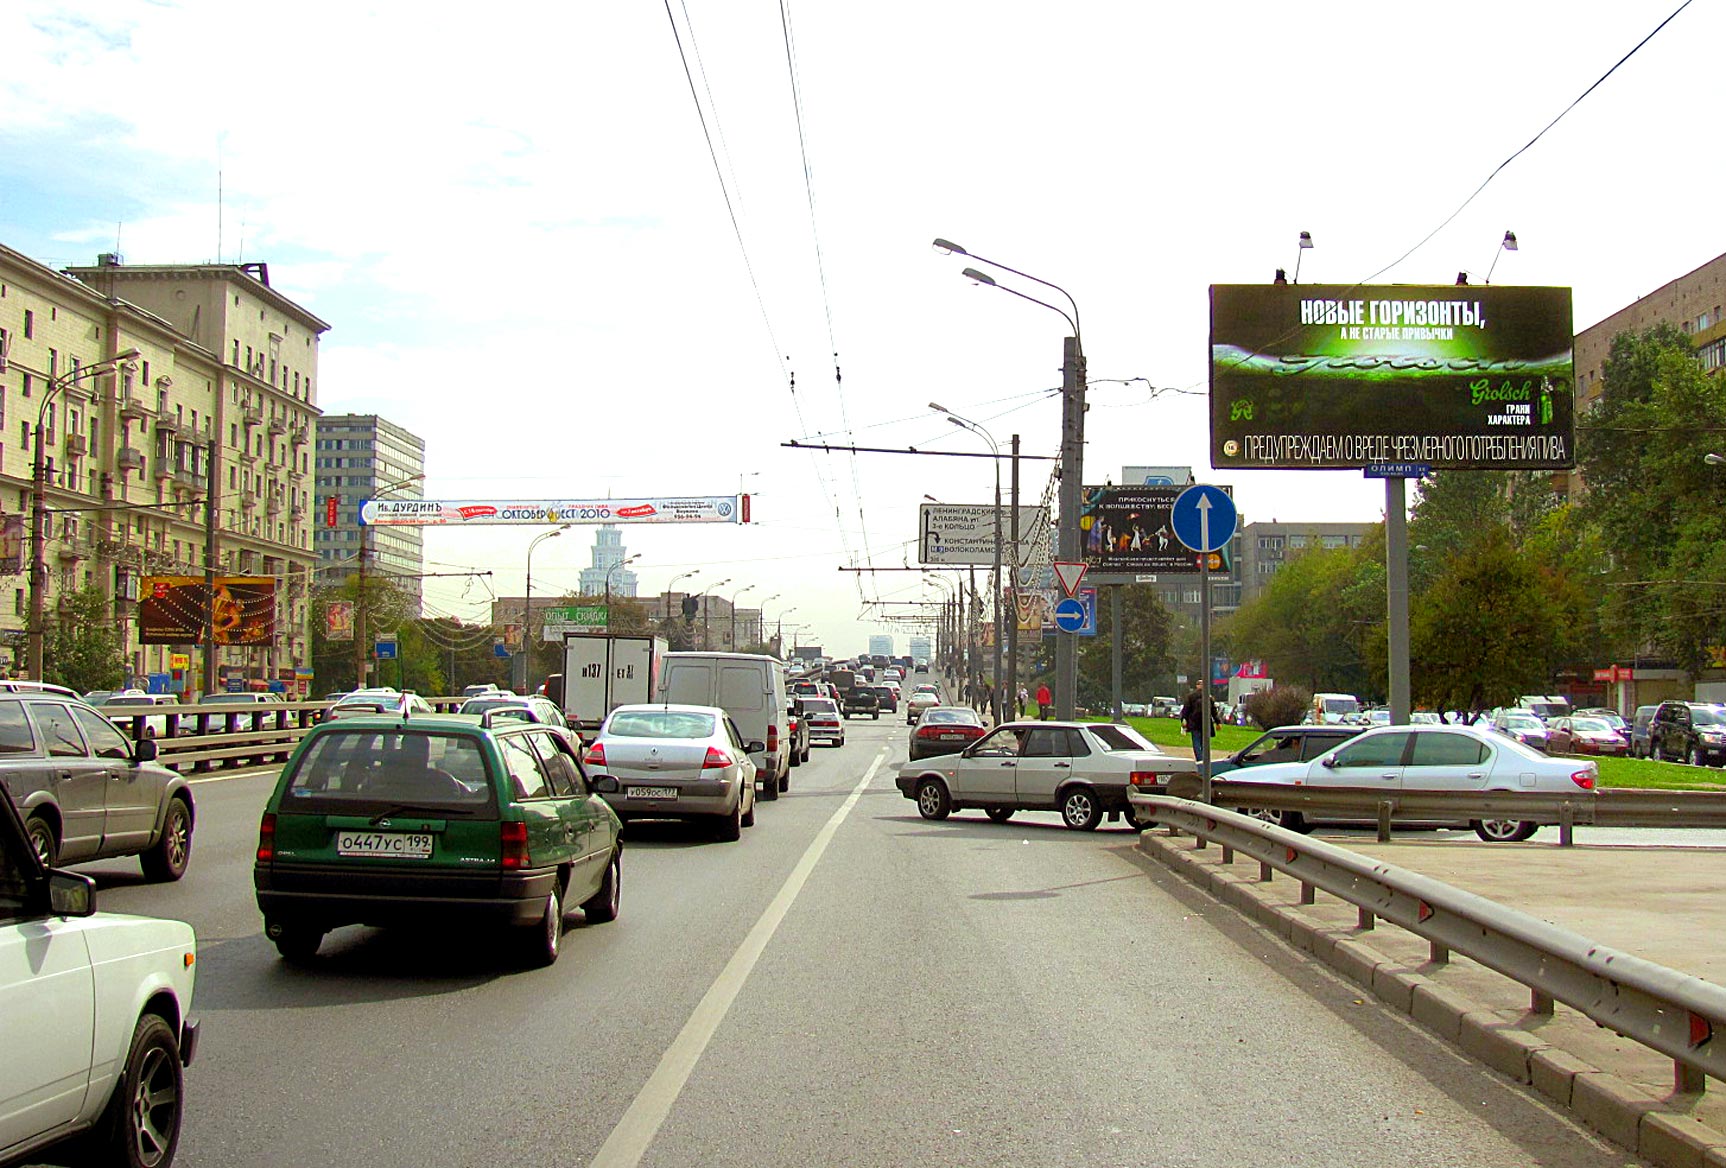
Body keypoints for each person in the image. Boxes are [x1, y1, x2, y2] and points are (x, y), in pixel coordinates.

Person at [1180, 684, 1211, 761]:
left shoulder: (1191, 696)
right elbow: (1213, 710)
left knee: (1196, 742)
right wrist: (1217, 721)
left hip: (1194, 722)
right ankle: (1204, 759)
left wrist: (1184, 719)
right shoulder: (1208, 696)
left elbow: (1186, 709)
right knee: (1204, 742)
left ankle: (1200, 759)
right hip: (1205, 723)